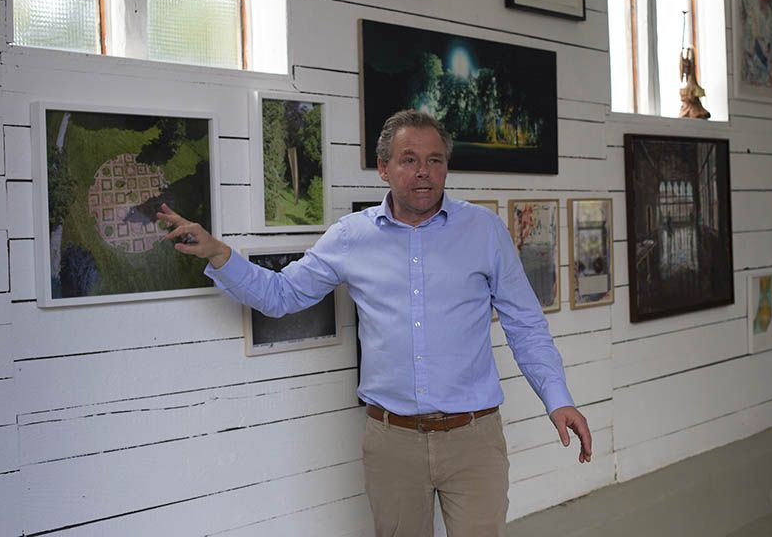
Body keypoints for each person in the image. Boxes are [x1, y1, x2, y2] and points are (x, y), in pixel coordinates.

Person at [158, 109, 592, 537]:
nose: (423, 172)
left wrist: (558, 399)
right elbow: (281, 295)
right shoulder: (350, 237)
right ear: (384, 168)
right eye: (409, 159)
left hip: (474, 438)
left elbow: (526, 326)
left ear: (445, 167)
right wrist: (218, 253)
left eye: (434, 160)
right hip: (392, 441)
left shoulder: (484, 231)